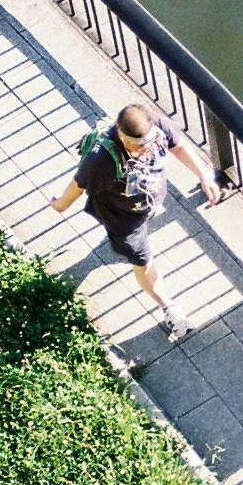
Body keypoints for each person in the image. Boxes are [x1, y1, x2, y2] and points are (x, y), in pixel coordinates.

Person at [49, 102, 220, 337]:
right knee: (142, 260)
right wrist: (60, 205)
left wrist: (204, 175)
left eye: (147, 143)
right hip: (124, 219)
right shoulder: (101, 160)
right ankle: (169, 308)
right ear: (119, 130)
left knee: (140, 245)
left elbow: (178, 145)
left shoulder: (156, 126)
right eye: (135, 145)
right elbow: (77, 185)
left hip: (146, 202)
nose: (142, 150)